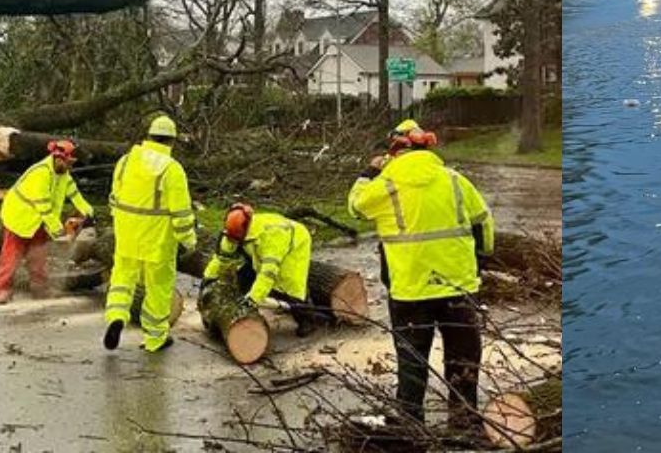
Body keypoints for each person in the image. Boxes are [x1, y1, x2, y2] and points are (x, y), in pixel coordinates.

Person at [348, 119, 494, 428]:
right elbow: (484, 221)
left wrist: (369, 171)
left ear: (394, 151)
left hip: (410, 291)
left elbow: (355, 207)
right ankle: (464, 425)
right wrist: (479, 262)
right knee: (463, 360)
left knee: (412, 363)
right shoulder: (454, 179)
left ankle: (411, 426)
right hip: (458, 287)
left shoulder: (384, 184)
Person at [102, 114, 196, 353]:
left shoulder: (125, 161)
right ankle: (155, 338)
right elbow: (181, 213)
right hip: (158, 240)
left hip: (127, 235)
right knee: (159, 289)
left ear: (149, 136)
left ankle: (116, 316)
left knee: (122, 279)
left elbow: (114, 199)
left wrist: (122, 225)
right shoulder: (172, 169)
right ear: (172, 142)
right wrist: (189, 240)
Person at [0, 139, 94, 304]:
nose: (70, 166)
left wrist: (89, 212)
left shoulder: (63, 175)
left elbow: (75, 195)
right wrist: (58, 230)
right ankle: (1, 290)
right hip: (19, 217)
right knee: (11, 256)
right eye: (69, 162)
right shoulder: (40, 174)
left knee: (39, 256)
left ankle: (40, 289)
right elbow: (44, 206)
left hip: (40, 220)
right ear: (59, 159)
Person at [203, 203, 318, 337]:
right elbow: (222, 258)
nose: (233, 242)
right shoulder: (233, 232)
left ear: (246, 228)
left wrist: (254, 298)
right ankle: (242, 311)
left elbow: (268, 273)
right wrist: (209, 276)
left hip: (295, 241)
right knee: (244, 276)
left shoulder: (272, 236)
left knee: (291, 284)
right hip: (260, 249)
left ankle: (308, 320)